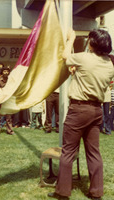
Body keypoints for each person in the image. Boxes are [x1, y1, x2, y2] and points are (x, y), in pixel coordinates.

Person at [48, 29, 114, 200]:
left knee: (68, 151)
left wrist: (71, 39)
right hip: (96, 111)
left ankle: (62, 192)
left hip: (78, 109)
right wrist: (78, 74)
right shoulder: (109, 64)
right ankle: (97, 192)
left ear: (93, 43)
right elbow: (91, 77)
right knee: (94, 153)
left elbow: (65, 55)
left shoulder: (85, 58)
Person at [0, 66, 14, 136]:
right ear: (2, 72)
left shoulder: (11, 81)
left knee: (9, 117)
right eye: (4, 71)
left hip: (8, 100)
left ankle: (10, 131)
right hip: (0, 100)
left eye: (7, 71)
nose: (6, 72)